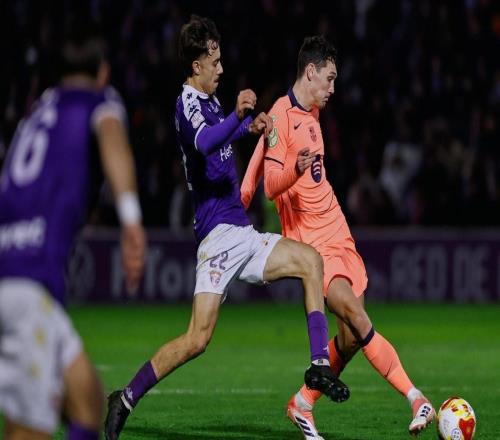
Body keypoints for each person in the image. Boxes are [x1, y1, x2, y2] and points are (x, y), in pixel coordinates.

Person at [105, 16, 349, 440]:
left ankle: (318, 366)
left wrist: (246, 127)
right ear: (196, 65)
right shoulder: (187, 102)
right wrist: (237, 116)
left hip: (242, 231)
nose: (220, 68)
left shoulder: (211, 101)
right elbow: (203, 143)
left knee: (311, 261)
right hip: (217, 237)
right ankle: (125, 398)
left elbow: (219, 144)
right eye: (214, 62)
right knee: (197, 339)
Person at [241, 35, 436, 439]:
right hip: (313, 245)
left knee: (349, 339)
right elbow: (271, 186)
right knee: (360, 321)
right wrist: (290, 171)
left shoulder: (312, 114)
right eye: (329, 79)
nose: (333, 88)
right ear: (310, 72)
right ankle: (416, 398)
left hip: (339, 231)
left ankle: (302, 403)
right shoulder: (280, 115)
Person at [0, 23, 146, 440]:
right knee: (28, 431)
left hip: (12, 274)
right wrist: (131, 220)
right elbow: (111, 134)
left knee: (86, 397)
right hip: (28, 286)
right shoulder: (99, 101)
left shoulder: (37, 111)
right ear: (102, 71)